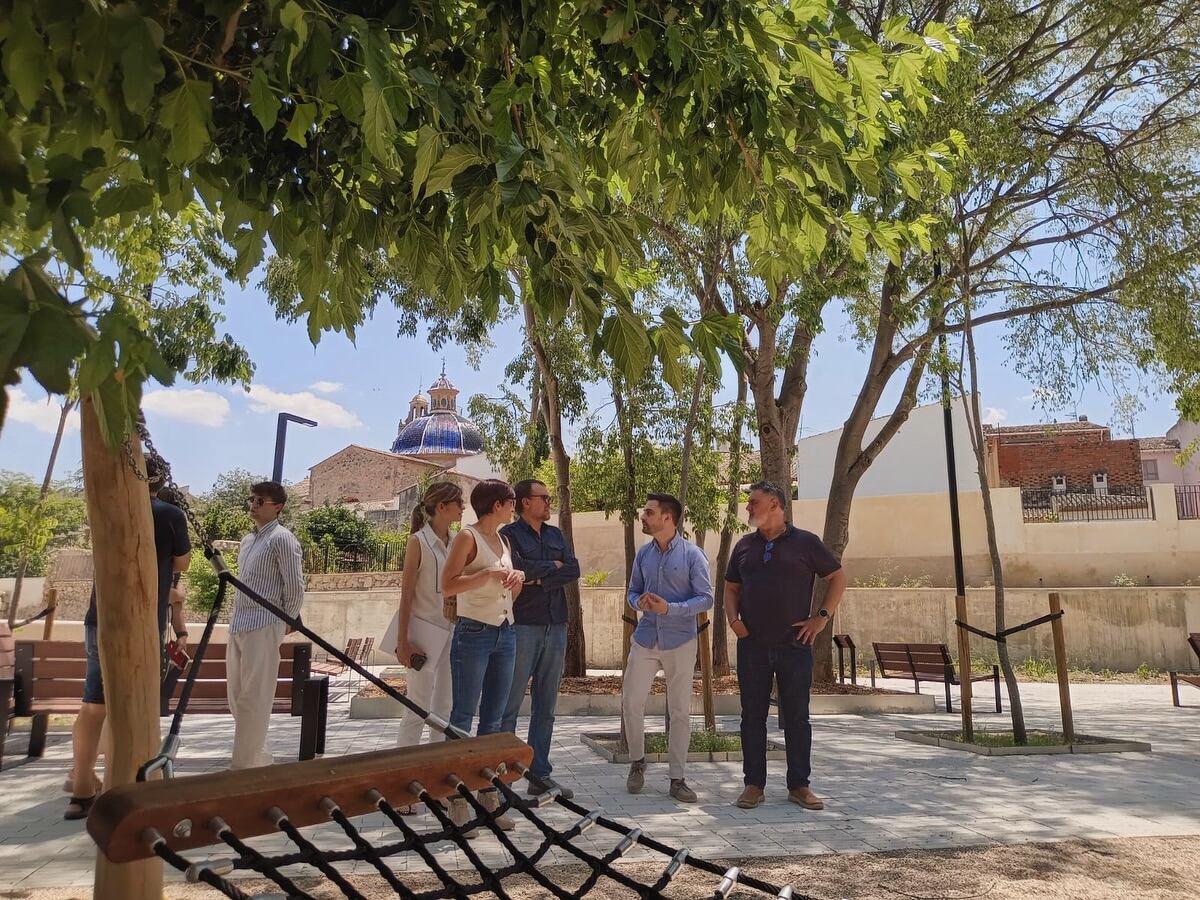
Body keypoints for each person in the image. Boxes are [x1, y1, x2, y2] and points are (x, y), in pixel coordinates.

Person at [65, 455, 191, 820]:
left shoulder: (108, 508)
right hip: (140, 622)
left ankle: (82, 790)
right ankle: (129, 786)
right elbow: (182, 563)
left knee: (93, 706)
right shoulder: (168, 514)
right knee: (137, 703)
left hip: (99, 617)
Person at [724, 480, 847, 811]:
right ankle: (754, 785)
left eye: (753, 502)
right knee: (752, 716)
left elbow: (838, 577)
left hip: (795, 644)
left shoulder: (806, 543)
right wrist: (735, 623)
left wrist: (821, 617)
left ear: (775, 505)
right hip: (752, 646)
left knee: (797, 717)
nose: (748, 507)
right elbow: (731, 589)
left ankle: (799, 785)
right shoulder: (744, 547)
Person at [442, 479, 525, 834]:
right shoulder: (467, 537)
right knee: (462, 716)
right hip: (473, 632)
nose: (514, 507)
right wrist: (488, 574)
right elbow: (448, 585)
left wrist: (515, 578)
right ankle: (456, 800)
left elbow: (505, 591)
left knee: (494, 719)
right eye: (511, 502)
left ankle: (488, 796)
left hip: (505, 631)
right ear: (496, 505)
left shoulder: (503, 540)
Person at [621, 493, 712, 804]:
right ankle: (637, 762)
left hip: (681, 641)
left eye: (649, 513)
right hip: (645, 638)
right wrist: (639, 602)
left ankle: (677, 778)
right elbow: (632, 590)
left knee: (679, 711)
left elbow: (706, 598)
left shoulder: (692, 555)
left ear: (668, 519)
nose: (643, 517)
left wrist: (669, 608)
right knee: (631, 701)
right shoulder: (643, 555)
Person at [500, 479, 581, 799]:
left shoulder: (556, 534)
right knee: (510, 705)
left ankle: (540, 775)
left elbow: (572, 570)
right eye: (543, 498)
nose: (549, 503)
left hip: (556, 625)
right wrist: (551, 568)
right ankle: (503, 779)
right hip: (523, 627)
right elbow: (516, 569)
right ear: (524, 503)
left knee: (546, 707)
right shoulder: (509, 536)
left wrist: (537, 576)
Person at [227, 481, 305, 770]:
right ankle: (258, 759)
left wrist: (285, 622)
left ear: (278, 506)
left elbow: (295, 586)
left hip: (264, 623)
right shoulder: (249, 541)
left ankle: (242, 767)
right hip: (240, 623)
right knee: (237, 697)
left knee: (254, 698)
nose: (253, 505)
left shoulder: (282, 539)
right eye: (252, 499)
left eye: (260, 501)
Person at [394, 481, 464, 749]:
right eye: (458, 502)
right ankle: (403, 768)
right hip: (423, 634)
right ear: (442, 507)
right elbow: (407, 594)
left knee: (444, 707)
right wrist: (403, 641)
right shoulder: (418, 541)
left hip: (452, 631)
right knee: (417, 705)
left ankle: (437, 771)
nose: (463, 507)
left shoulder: (458, 541)